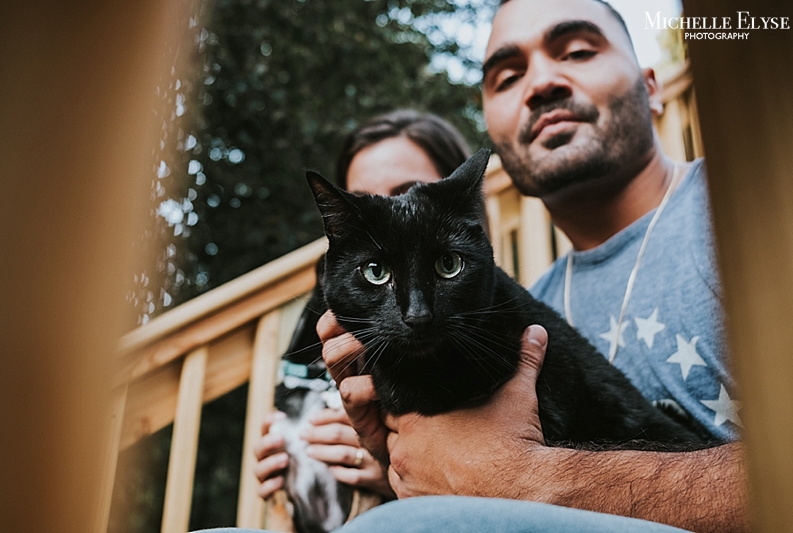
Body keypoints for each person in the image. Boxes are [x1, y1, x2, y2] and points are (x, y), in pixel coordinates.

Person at [314, 1, 749, 532]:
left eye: (578, 51)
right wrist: (408, 469)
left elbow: (513, 481)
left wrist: (528, 480)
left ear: (651, 86)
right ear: (494, 132)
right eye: (508, 76)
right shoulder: (507, 307)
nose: (540, 83)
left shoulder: (754, 203)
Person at [253, 109, 472, 503]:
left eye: (407, 193)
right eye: (368, 201)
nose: (389, 215)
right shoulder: (325, 321)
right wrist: (290, 481)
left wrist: (396, 472)